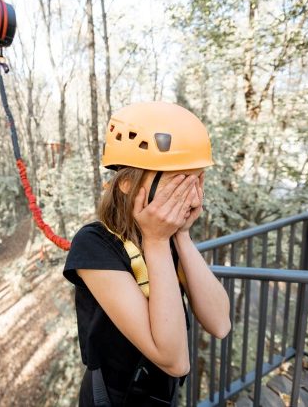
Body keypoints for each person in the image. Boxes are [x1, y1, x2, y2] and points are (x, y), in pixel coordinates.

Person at [63, 101, 231, 406]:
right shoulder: (94, 244)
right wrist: (155, 242)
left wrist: (181, 234)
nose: (191, 195)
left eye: (196, 180)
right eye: (178, 181)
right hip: (115, 399)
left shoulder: (165, 235)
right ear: (128, 182)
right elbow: (175, 360)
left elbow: (220, 322)